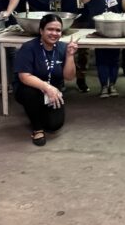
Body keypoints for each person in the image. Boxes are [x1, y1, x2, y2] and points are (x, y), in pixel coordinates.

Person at [14, 14, 79, 146]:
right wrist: (47, 87)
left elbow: (69, 77)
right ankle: (37, 129)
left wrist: (70, 56)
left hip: (52, 92)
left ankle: (37, 110)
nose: (54, 33)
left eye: (58, 30)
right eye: (50, 29)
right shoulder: (29, 48)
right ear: (41, 31)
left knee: (54, 125)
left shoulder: (63, 47)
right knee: (29, 93)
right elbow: (24, 76)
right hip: (31, 89)